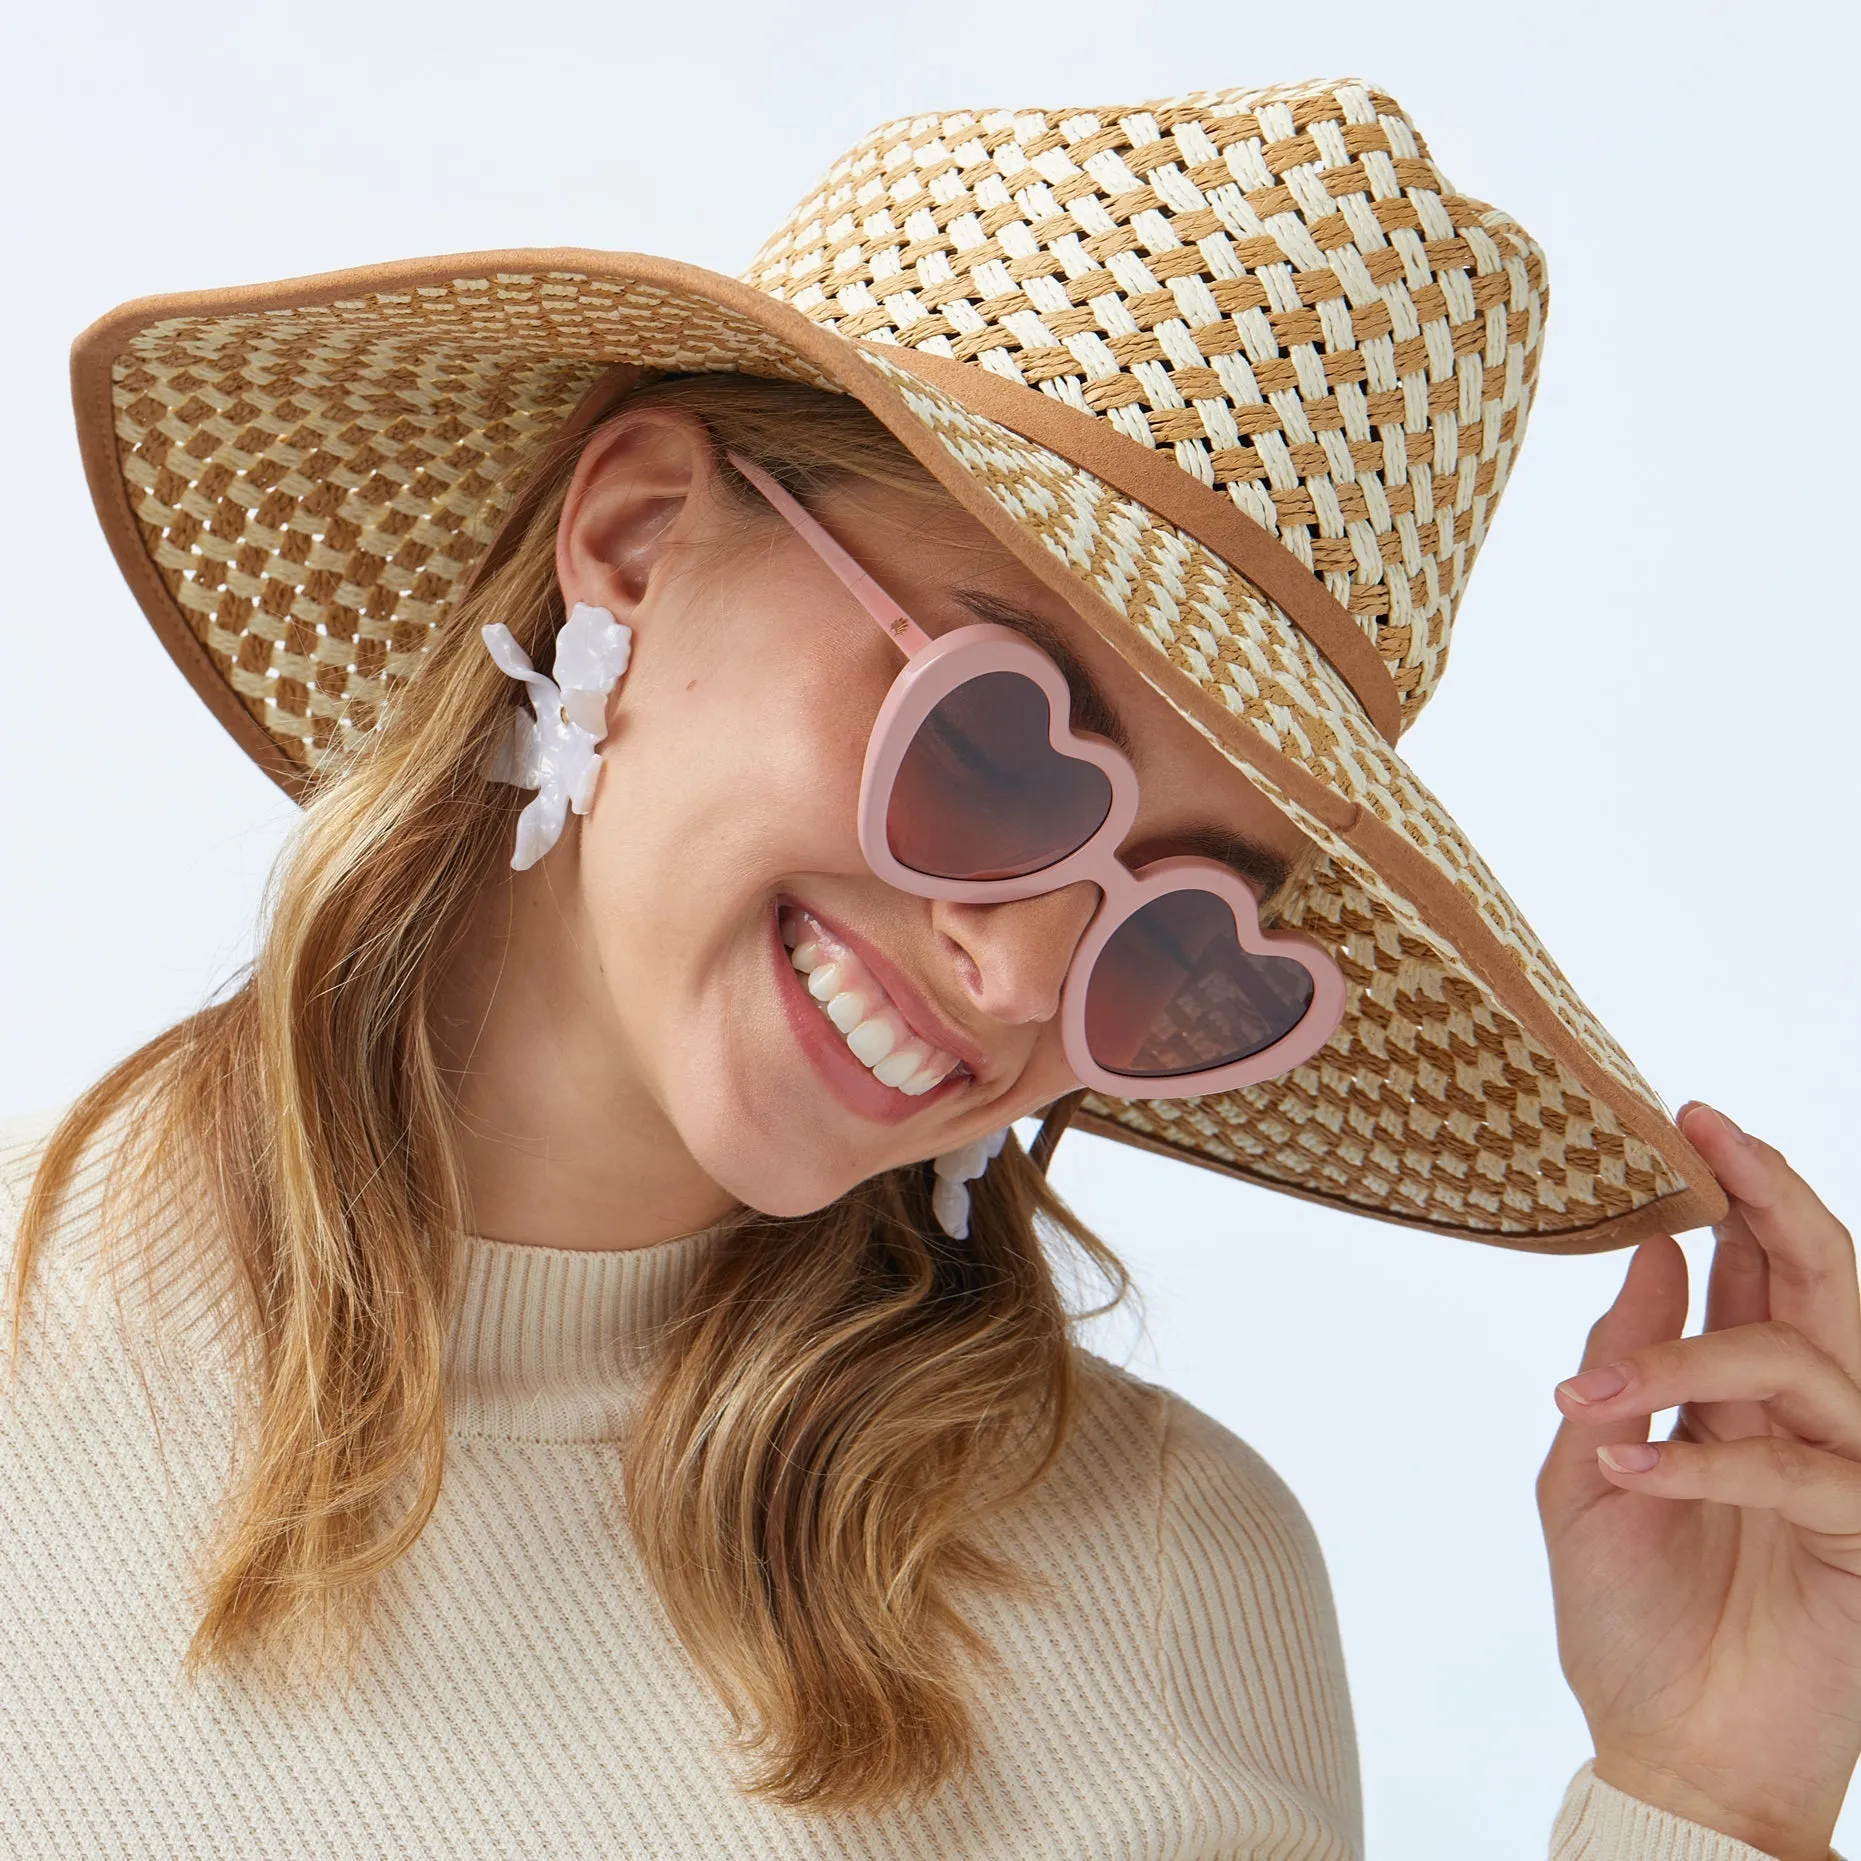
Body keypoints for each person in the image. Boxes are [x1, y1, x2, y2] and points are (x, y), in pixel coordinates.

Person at [4, 78, 1855, 1860]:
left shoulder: (1154, 1605)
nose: (1023, 974)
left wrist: (1706, 1798)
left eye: (1183, 931)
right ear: (635, 542)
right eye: (997, 742)